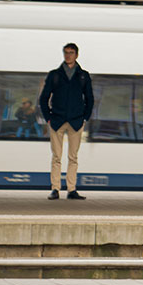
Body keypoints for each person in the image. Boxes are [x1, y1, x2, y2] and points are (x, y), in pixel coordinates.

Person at [39, 42, 94, 200]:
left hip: (76, 122)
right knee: (56, 156)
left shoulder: (83, 76)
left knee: (73, 157)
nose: (68, 55)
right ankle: (55, 188)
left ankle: (71, 189)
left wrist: (85, 118)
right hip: (57, 120)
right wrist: (48, 117)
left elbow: (90, 98)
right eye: (65, 52)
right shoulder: (54, 75)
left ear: (77, 55)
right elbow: (43, 98)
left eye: (71, 52)